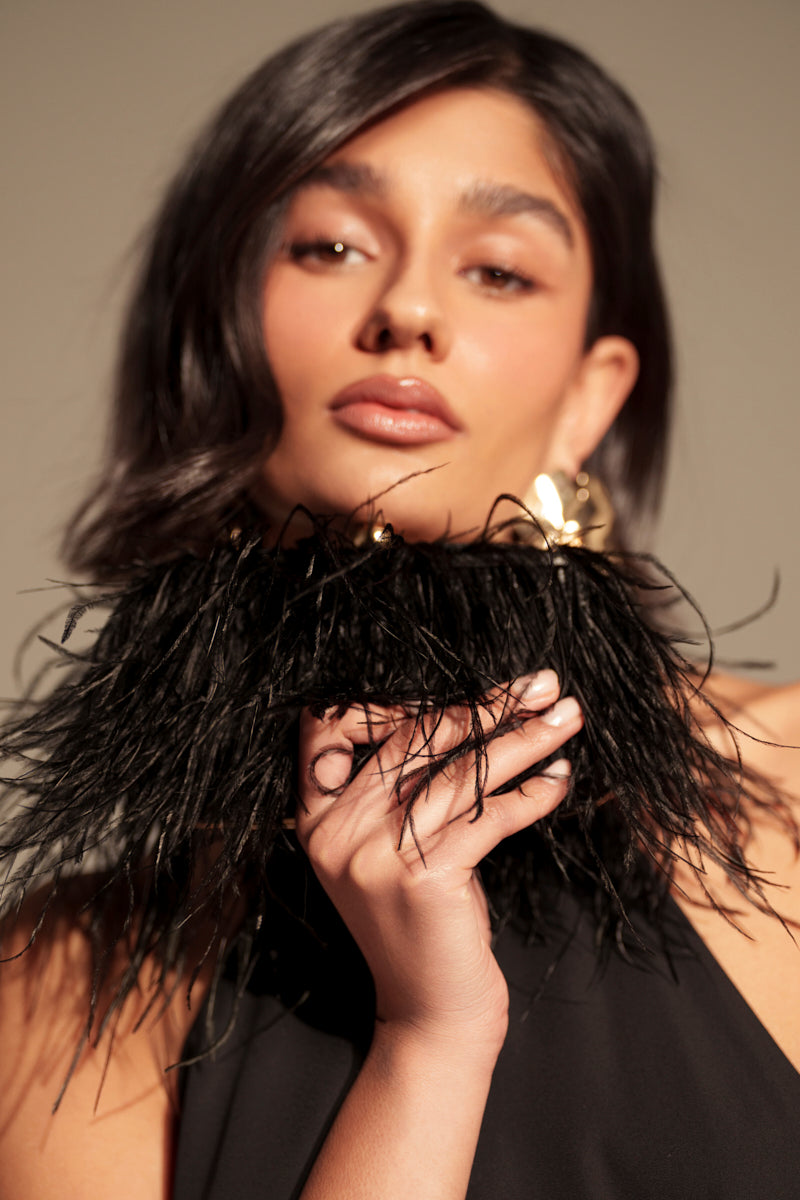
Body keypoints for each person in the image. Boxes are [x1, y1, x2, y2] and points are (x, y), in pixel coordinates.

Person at [0, 3, 798, 1197]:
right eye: (328, 247)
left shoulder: (784, 788)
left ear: (589, 396)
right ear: (213, 336)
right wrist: (432, 1042)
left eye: (498, 270)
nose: (409, 312)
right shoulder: (60, 978)